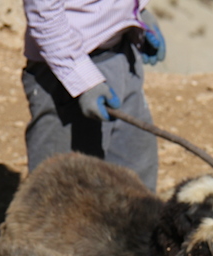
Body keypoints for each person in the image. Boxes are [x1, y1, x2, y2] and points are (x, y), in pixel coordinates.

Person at [21, 0, 166, 191]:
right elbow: (44, 16)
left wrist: (136, 13)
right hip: (64, 72)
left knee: (137, 179)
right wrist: (83, 79)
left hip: (121, 54)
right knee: (63, 188)